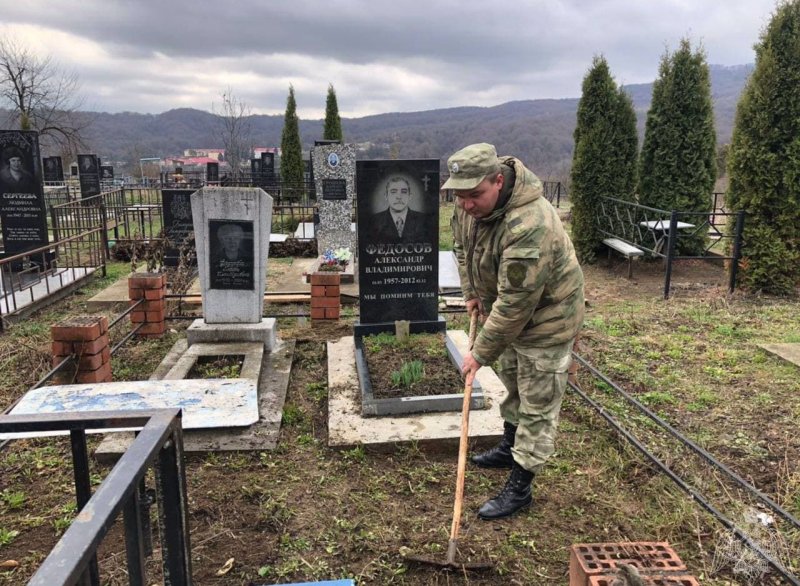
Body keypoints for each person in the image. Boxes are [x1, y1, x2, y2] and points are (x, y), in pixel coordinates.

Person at [444, 143, 584, 520]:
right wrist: (471, 293)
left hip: (546, 320)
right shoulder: (467, 209)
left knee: (538, 402)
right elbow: (461, 248)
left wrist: (479, 353)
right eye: (459, 196)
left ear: (499, 181)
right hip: (503, 313)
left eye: (474, 195)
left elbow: (516, 303)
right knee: (513, 382)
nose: (466, 205)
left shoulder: (529, 223)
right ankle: (509, 445)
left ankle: (520, 486)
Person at [369, 176, 430, 243]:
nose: (399, 197)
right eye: (393, 192)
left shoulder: (423, 219)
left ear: (410, 196)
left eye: (404, 192)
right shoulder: (375, 219)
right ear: (386, 196)